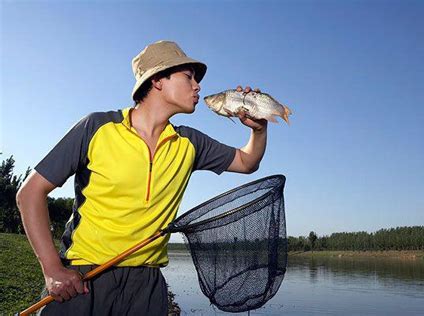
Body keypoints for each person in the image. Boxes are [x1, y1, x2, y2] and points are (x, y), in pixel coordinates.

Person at [16, 40, 267, 315]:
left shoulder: (190, 143)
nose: (197, 86)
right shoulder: (97, 127)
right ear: (158, 80)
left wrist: (258, 130)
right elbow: (30, 193)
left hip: (146, 288)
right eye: (188, 77)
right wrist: (52, 269)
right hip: (82, 281)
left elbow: (247, 162)